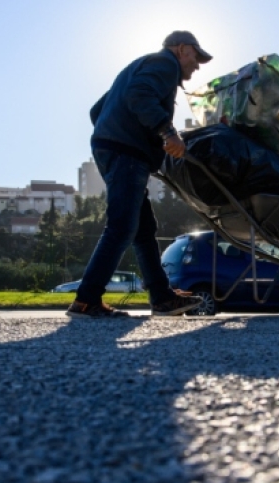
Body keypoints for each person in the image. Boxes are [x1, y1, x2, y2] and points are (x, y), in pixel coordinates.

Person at [66, 31, 212, 318]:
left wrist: (117, 131)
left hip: (116, 151)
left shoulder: (139, 66)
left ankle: (161, 297)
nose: (197, 66)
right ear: (181, 49)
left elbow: (98, 110)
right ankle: (86, 300)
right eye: (196, 57)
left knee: (144, 230)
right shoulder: (164, 64)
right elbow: (139, 95)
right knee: (122, 226)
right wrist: (167, 132)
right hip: (125, 155)